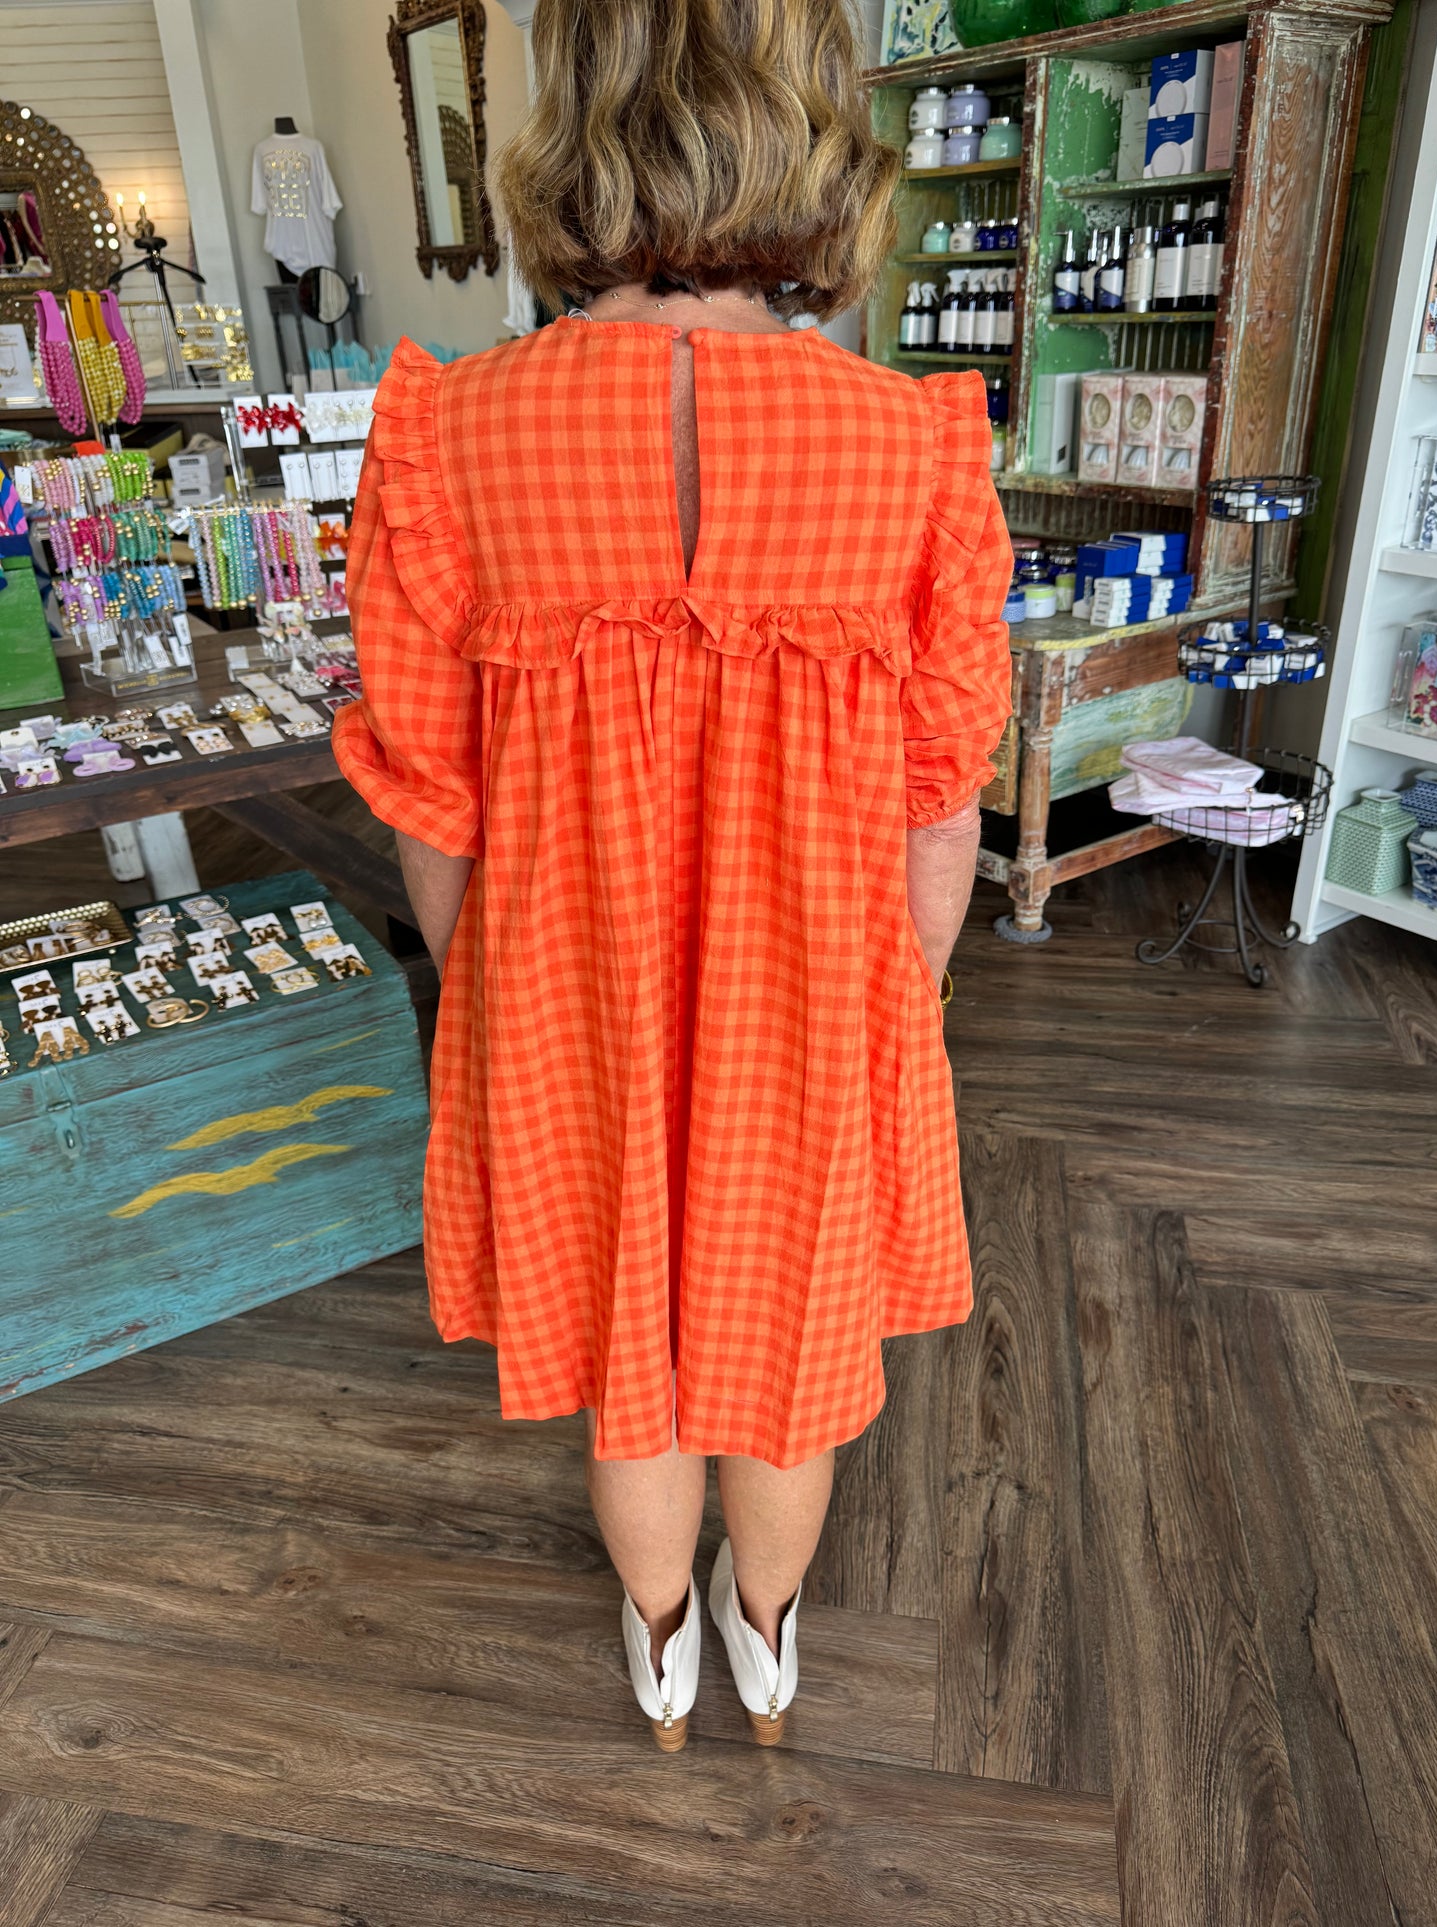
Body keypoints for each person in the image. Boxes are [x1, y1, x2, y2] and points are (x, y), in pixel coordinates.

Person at [332, 0, 1013, 1753]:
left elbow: (431, 804)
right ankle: (764, 1643)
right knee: (788, 1351)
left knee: (626, 1344)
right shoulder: (905, 443)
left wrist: (499, 1005)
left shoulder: (451, 436)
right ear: (816, 123)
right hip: (822, 988)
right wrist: (893, 1001)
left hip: (557, 990)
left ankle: (658, 1654)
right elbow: (943, 802)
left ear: (570, 121)